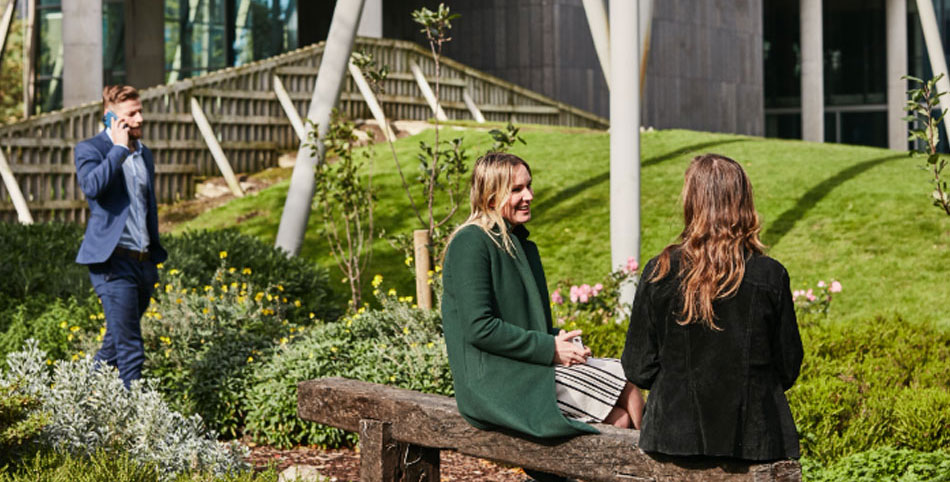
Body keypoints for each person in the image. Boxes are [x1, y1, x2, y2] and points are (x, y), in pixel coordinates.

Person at [440, 152, 644, 446]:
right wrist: (549, 348)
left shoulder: (518, 243)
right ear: (490, 197)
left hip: (526, 365)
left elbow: (521, 324)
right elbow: (479, 328)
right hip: (497, 381)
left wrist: (560, 340)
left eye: (529, 186)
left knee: (628, 377)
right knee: (618, 418)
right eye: (517, 189)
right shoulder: (470, 242)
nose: (529, 196)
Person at [622, 153, 803, 461]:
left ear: (692, 201)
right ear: (743, 202)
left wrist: (676, 386)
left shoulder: (660, 271)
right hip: (753, 438)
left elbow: (638, 366)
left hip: (674, 437)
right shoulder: (770, 275)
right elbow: (787, 364)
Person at [75, 85, 167, 388]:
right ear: (111, 118)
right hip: (112, 264)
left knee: (114, 346)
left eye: (140, 110)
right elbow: (92, 187)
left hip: (142, 263)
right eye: (131, 114)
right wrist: (117, 148)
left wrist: (152, 258)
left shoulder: (145, 155)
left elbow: (146, 208)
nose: (140, 118)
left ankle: (83, 405)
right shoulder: (91, 150)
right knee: (131, 350)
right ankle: (135, 426)